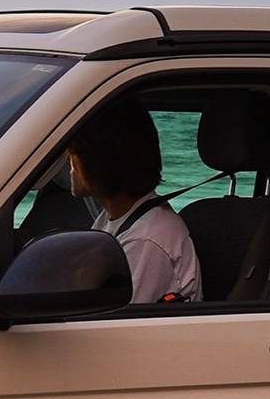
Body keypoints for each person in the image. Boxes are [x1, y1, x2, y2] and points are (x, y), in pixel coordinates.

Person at [66, 101, 202, 304]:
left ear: (98, 163)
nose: (71, 167)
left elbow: (119, 321)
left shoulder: (146, 239)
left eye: (74, 156)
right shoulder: (116, 217)